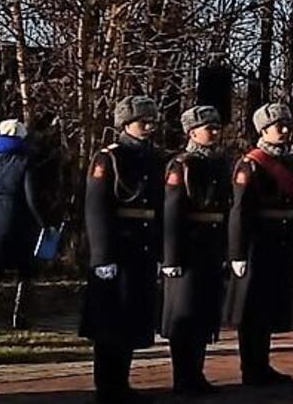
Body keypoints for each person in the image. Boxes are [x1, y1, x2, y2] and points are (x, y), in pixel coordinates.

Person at [79, 95, 165, 403]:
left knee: (130, 319)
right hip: (118, 246)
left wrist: (159, 250)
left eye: (152, 122)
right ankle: (107, 386)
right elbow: (96, 208)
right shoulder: (109, 158)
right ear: (126, 124)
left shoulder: (154, 158)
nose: (149, 127)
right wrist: (102, 255)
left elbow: (158, 207)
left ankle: (122, 383)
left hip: (142, 248)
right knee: (109, 322)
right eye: (143, 122)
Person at [226, 102, 293, 387]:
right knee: (252, 310)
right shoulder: (252, 164)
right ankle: (251, 367)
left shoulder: (289, 162)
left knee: (269, 308)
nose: (283, 130)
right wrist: (237, 252)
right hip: (257, 243)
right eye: (276, 126)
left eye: (285, 125)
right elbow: (239, 211)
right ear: (262, 130)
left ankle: (263, 365)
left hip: (279, 244)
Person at [160, 105, 232, 397]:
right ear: (192, 132)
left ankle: (196, 373)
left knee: (204, 313)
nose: (214, 132)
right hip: (189, 247)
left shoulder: (219, 162)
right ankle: (183, 376)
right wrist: (171, 257)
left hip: (210, 247)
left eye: (216, 127)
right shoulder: (183, 164)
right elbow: (172, 212)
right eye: (208, 128)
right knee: (185, 315)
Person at [0, 119, 46, 335]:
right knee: (25, 271)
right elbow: (32, 198)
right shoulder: (25, 161)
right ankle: (20, 317)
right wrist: (43, 223)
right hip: (16, 221)